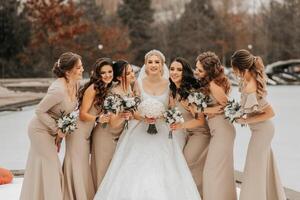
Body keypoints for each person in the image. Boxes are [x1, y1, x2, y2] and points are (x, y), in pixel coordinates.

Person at [93, 50, 201, 200]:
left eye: (157, 62)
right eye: (150, 62)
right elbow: (134, 109)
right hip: (139, 129)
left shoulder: (170, 84)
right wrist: (144, 117)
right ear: (145, 65)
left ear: (162, 65)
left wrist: (163, 116)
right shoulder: (137, 83)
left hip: (163, 131)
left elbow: (171, 108)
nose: (153, 65)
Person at [20, 52, 83, 200]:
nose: (82, 70)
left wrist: (59, 135)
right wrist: (57, 130)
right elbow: (39, 110)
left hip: (54, 130)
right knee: (52, 168)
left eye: (82, 66)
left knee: (41, 168)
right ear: (68, 72)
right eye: (79, 67)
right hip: (40, 130)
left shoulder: (76, 84)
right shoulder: (58, 91)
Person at [231, 49, 286, 200]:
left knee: (254, 167)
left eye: (235, 68)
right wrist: (238, 113)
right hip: (258, 130)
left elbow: (270, 113)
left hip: (263, 131)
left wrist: (245, 120)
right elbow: (249, 107)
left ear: (242, 68)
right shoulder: (246, 81)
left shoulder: (251, 86)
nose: (234, 72)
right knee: (264, 166)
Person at [63, 58, 113, 200]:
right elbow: (83, 114)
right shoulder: (93, 89)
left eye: (110, 72)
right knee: (78, 165)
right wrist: (97, 119)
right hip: (78, 131)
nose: (107, 75)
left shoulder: (105, 88)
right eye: (103, 73)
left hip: (87, 132)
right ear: (98, 74)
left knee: (82, 165)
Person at [194, 51, 237, 200]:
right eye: (196, 68)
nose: (196, 72)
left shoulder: (214, 85)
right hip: (217, 130)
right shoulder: (207, 84)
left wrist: (205, 110)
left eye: (199, 70)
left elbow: (229, 107)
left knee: (212, 171)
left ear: (209, 71)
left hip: (223, 131)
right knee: (220, 170)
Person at [168, 57, 210, 197]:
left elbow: (200, 121)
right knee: (192, 170)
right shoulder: (174, 92)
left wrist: (181, 125)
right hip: (188, 135)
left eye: (179, 70)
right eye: (172, 69)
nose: (174, 72)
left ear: (185, 72)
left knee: (185, 164)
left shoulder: (191, 93)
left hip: (201, 134)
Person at [90, 59, 135, 190]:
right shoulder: (113, 93)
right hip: (105, 137)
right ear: (120, 78)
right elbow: (114, 123)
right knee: (102, 175)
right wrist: (125, 115)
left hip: (118, 137)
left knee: (113, 176)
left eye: (132, 72)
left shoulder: (129, 89)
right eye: (128, 73)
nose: (132, 75)